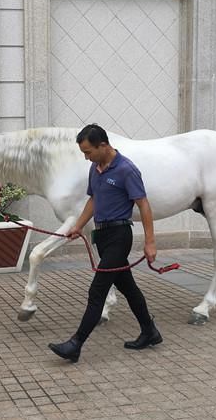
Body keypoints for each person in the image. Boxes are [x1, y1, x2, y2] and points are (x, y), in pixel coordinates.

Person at [48, 124, 162, 363]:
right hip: (102, 237)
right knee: (127, 287)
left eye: (88, 152)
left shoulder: (126, 170)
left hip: (120, 236)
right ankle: (150, 331)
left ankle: (76, 344)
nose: (86, 157)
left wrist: (150, 242)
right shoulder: (95, 169)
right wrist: (77, 226)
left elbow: (143, 205)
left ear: (103, 145)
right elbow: (93, 199)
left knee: (97, 290)